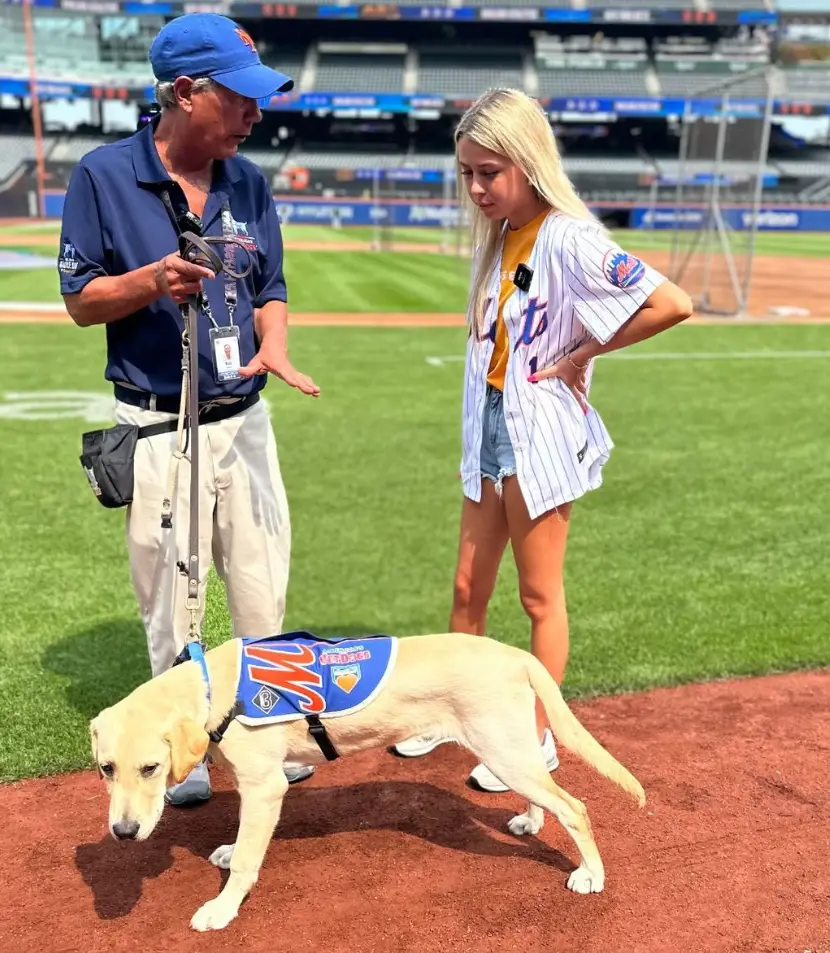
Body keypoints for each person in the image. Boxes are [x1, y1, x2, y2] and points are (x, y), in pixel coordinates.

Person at [393, 88, 693, 791]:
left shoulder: (568, 235)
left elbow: (669, 303)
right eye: (467, 172)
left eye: (489, 172)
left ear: (527, 162)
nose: (476, 187)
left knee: (537, 595)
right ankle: (449, 713)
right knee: (468, 587)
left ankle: (536, 739)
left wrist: (584, 352)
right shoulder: (499, 239)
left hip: (541, 435)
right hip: (492, 427)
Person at [59, 13, 320, 805]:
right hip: (156, 425)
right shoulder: (102, 175)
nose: (255, 113)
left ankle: (267, 739)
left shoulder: (249, 180)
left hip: (245, 418)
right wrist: (150, 281)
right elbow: (79, 299)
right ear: (185, 92)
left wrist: (273, 339)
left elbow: (270, 286)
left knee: (260, 590)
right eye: (240, 98)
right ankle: (185, 752)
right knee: (173, 600)